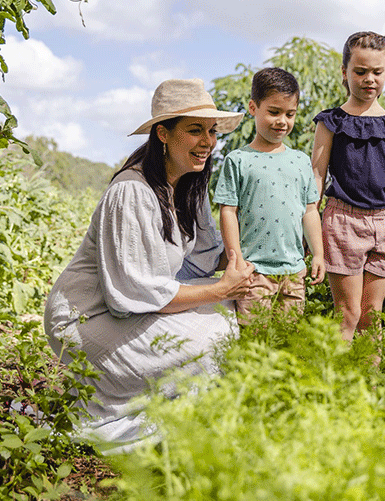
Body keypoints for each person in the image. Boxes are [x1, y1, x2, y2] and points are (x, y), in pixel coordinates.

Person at [43, 78, 255, 450]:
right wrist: (223, 288)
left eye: (211, 131)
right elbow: (133, 292)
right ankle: (107, 424)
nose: (207, 141)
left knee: (224, 313)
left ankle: (153, 410)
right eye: (194, 130)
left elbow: (205, 257)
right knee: (212, 334)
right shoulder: (132, 191)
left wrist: (251, 252)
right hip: (85, 318)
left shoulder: (186, 185)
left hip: (127, 306)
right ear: (163, 133)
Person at [312, 31, 385, 341]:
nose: (369, 79)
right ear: (344, 73)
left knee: (373, 315)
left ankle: (370, 387)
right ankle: (336, 386)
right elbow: (316, 175)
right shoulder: (331, 122)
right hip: (343, 222)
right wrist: (311, 228)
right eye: (360, 71)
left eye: (377, 72)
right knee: (348, 314)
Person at [213, 67, 324, 322]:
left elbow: (309, 211)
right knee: (254, 344)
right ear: (253, 107)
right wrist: (236, 258)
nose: (282, 121)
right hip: (253, 272)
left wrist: (317, 253)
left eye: (290, 114)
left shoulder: (301, 161)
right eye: (273, 112)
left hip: (294, 272)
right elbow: (228, 212)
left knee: (288, 342)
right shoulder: (238, 160)